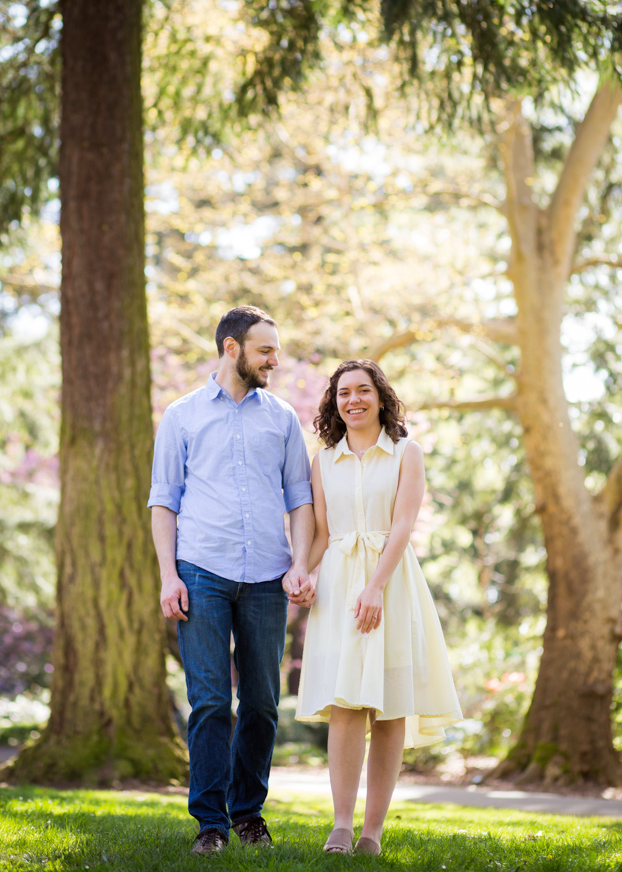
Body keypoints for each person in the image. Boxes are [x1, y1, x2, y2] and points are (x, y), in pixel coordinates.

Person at [149, 306, 315, 856]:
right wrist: (168, 575)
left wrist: (299, 562)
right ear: (231, 348)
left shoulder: (283, 417)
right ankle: (211, 825)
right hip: (201, 570)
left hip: (269, 574)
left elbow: (300, 497)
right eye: (265, 350)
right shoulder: (182, 415)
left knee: (264, 703)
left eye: (276, 349)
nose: (275, 359)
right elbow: (163, 501)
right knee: (212, 701)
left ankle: (248, 813)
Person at [294, 359, 462, 856]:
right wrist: (302, 570)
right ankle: (340, 828)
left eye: (363, 391)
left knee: (388, 710)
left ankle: (372, 834)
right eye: (344, 393)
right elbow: (323, 534)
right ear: (334, 403)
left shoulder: (406, 453)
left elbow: (404, 524)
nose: (353, 400)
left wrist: (375, 587)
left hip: (392, 584)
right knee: (346, 706)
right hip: (341, 588)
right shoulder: (323, 461)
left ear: (381, 397)